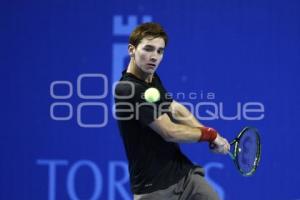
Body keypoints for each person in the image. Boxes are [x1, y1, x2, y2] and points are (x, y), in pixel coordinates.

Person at [114, 22, 230, 200]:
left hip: (184, 176)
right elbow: (170, 131)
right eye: (148, 49)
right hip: (154, 190)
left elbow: (175, 108)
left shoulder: (151, 78)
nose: (154, 57)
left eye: (160, 51)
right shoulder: (127, 88)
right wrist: (209, 135)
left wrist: (210, 135)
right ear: (131, 50)